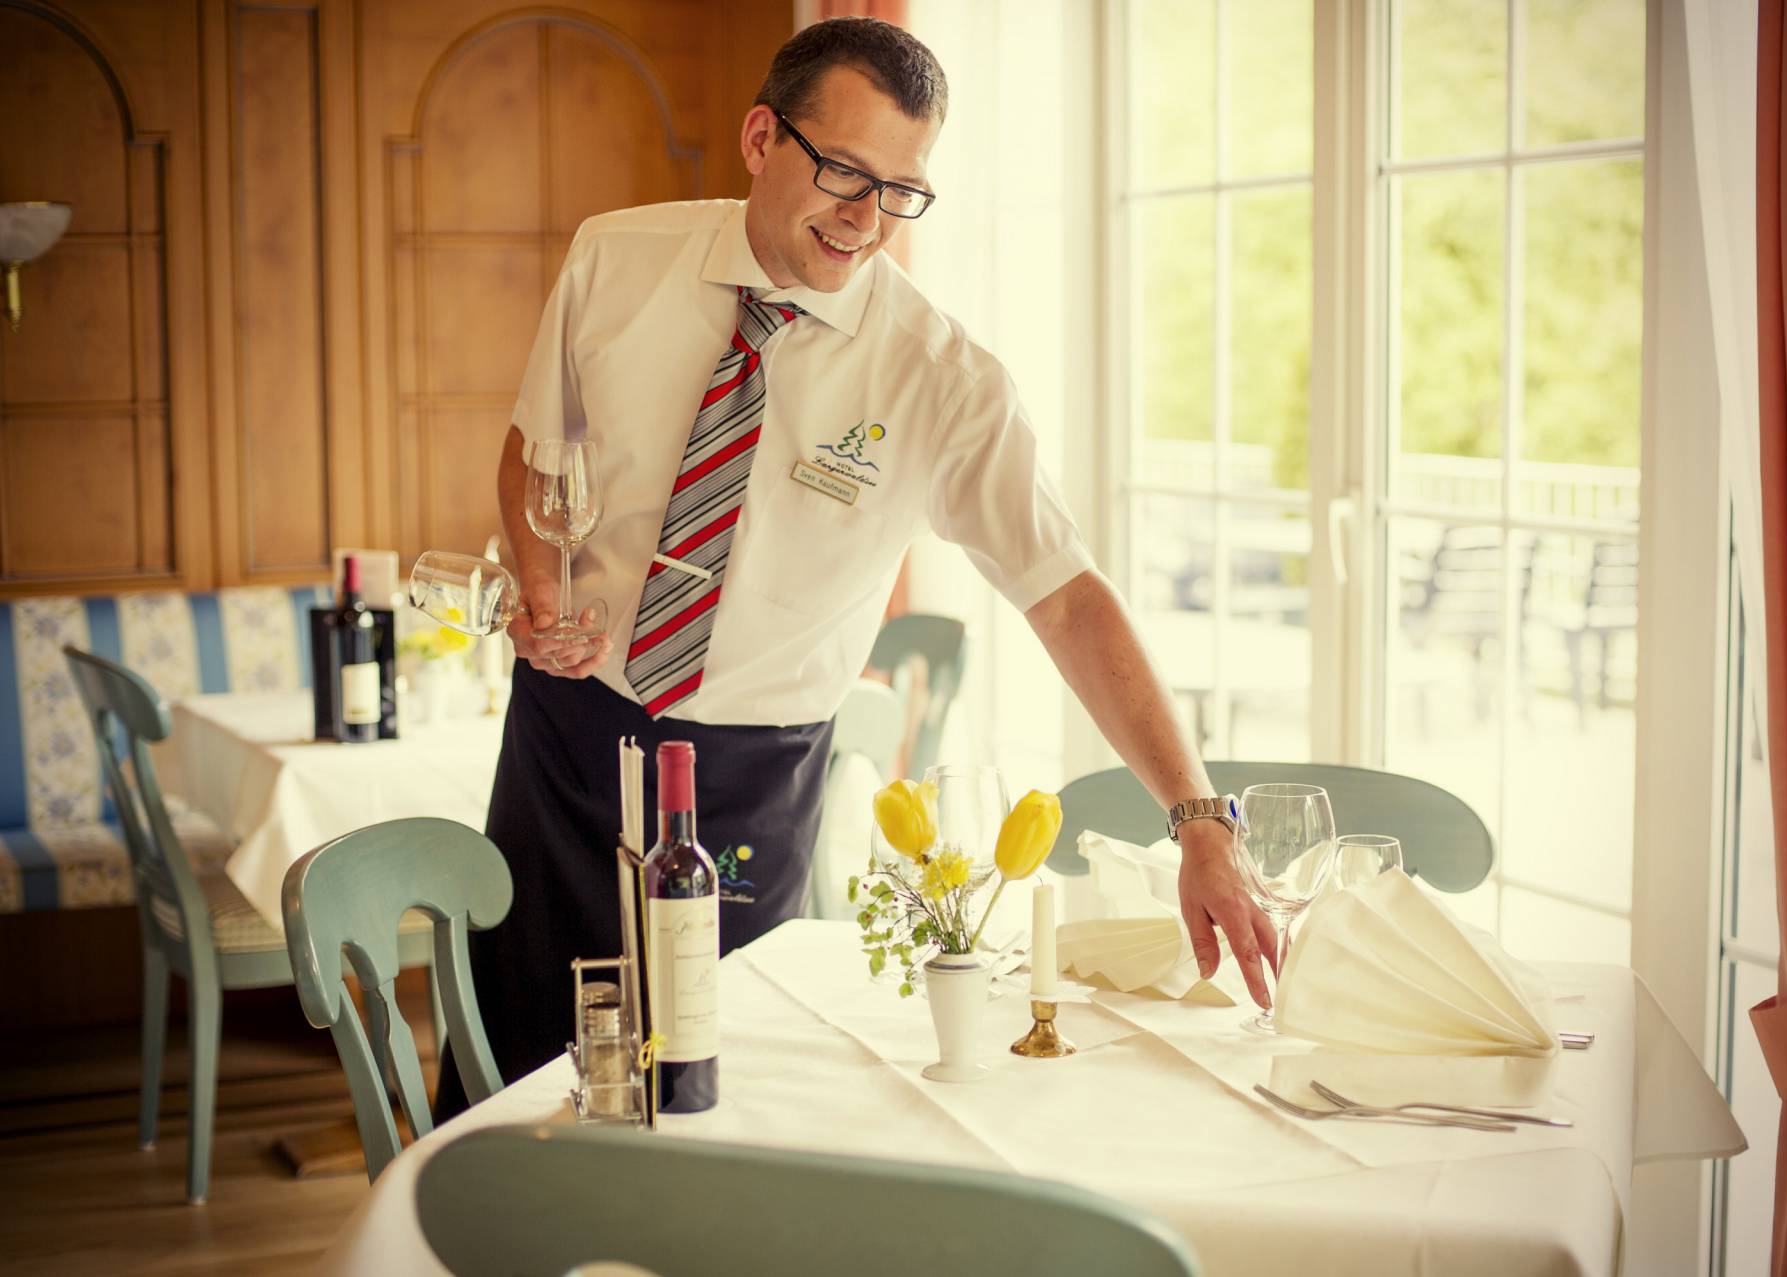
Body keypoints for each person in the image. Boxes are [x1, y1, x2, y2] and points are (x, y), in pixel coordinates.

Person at [436, 16, 1275, 1115]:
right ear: (759, 138)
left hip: (748, 778)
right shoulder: (616, 258)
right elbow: (534, 456)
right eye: (843, 171)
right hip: (567, 735)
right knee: (515, 1072)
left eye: (900, 190)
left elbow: (1068, 597)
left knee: (705, 1094)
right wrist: (544, 590)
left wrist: (1198, 817)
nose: (867, 218)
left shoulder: (943, 380)